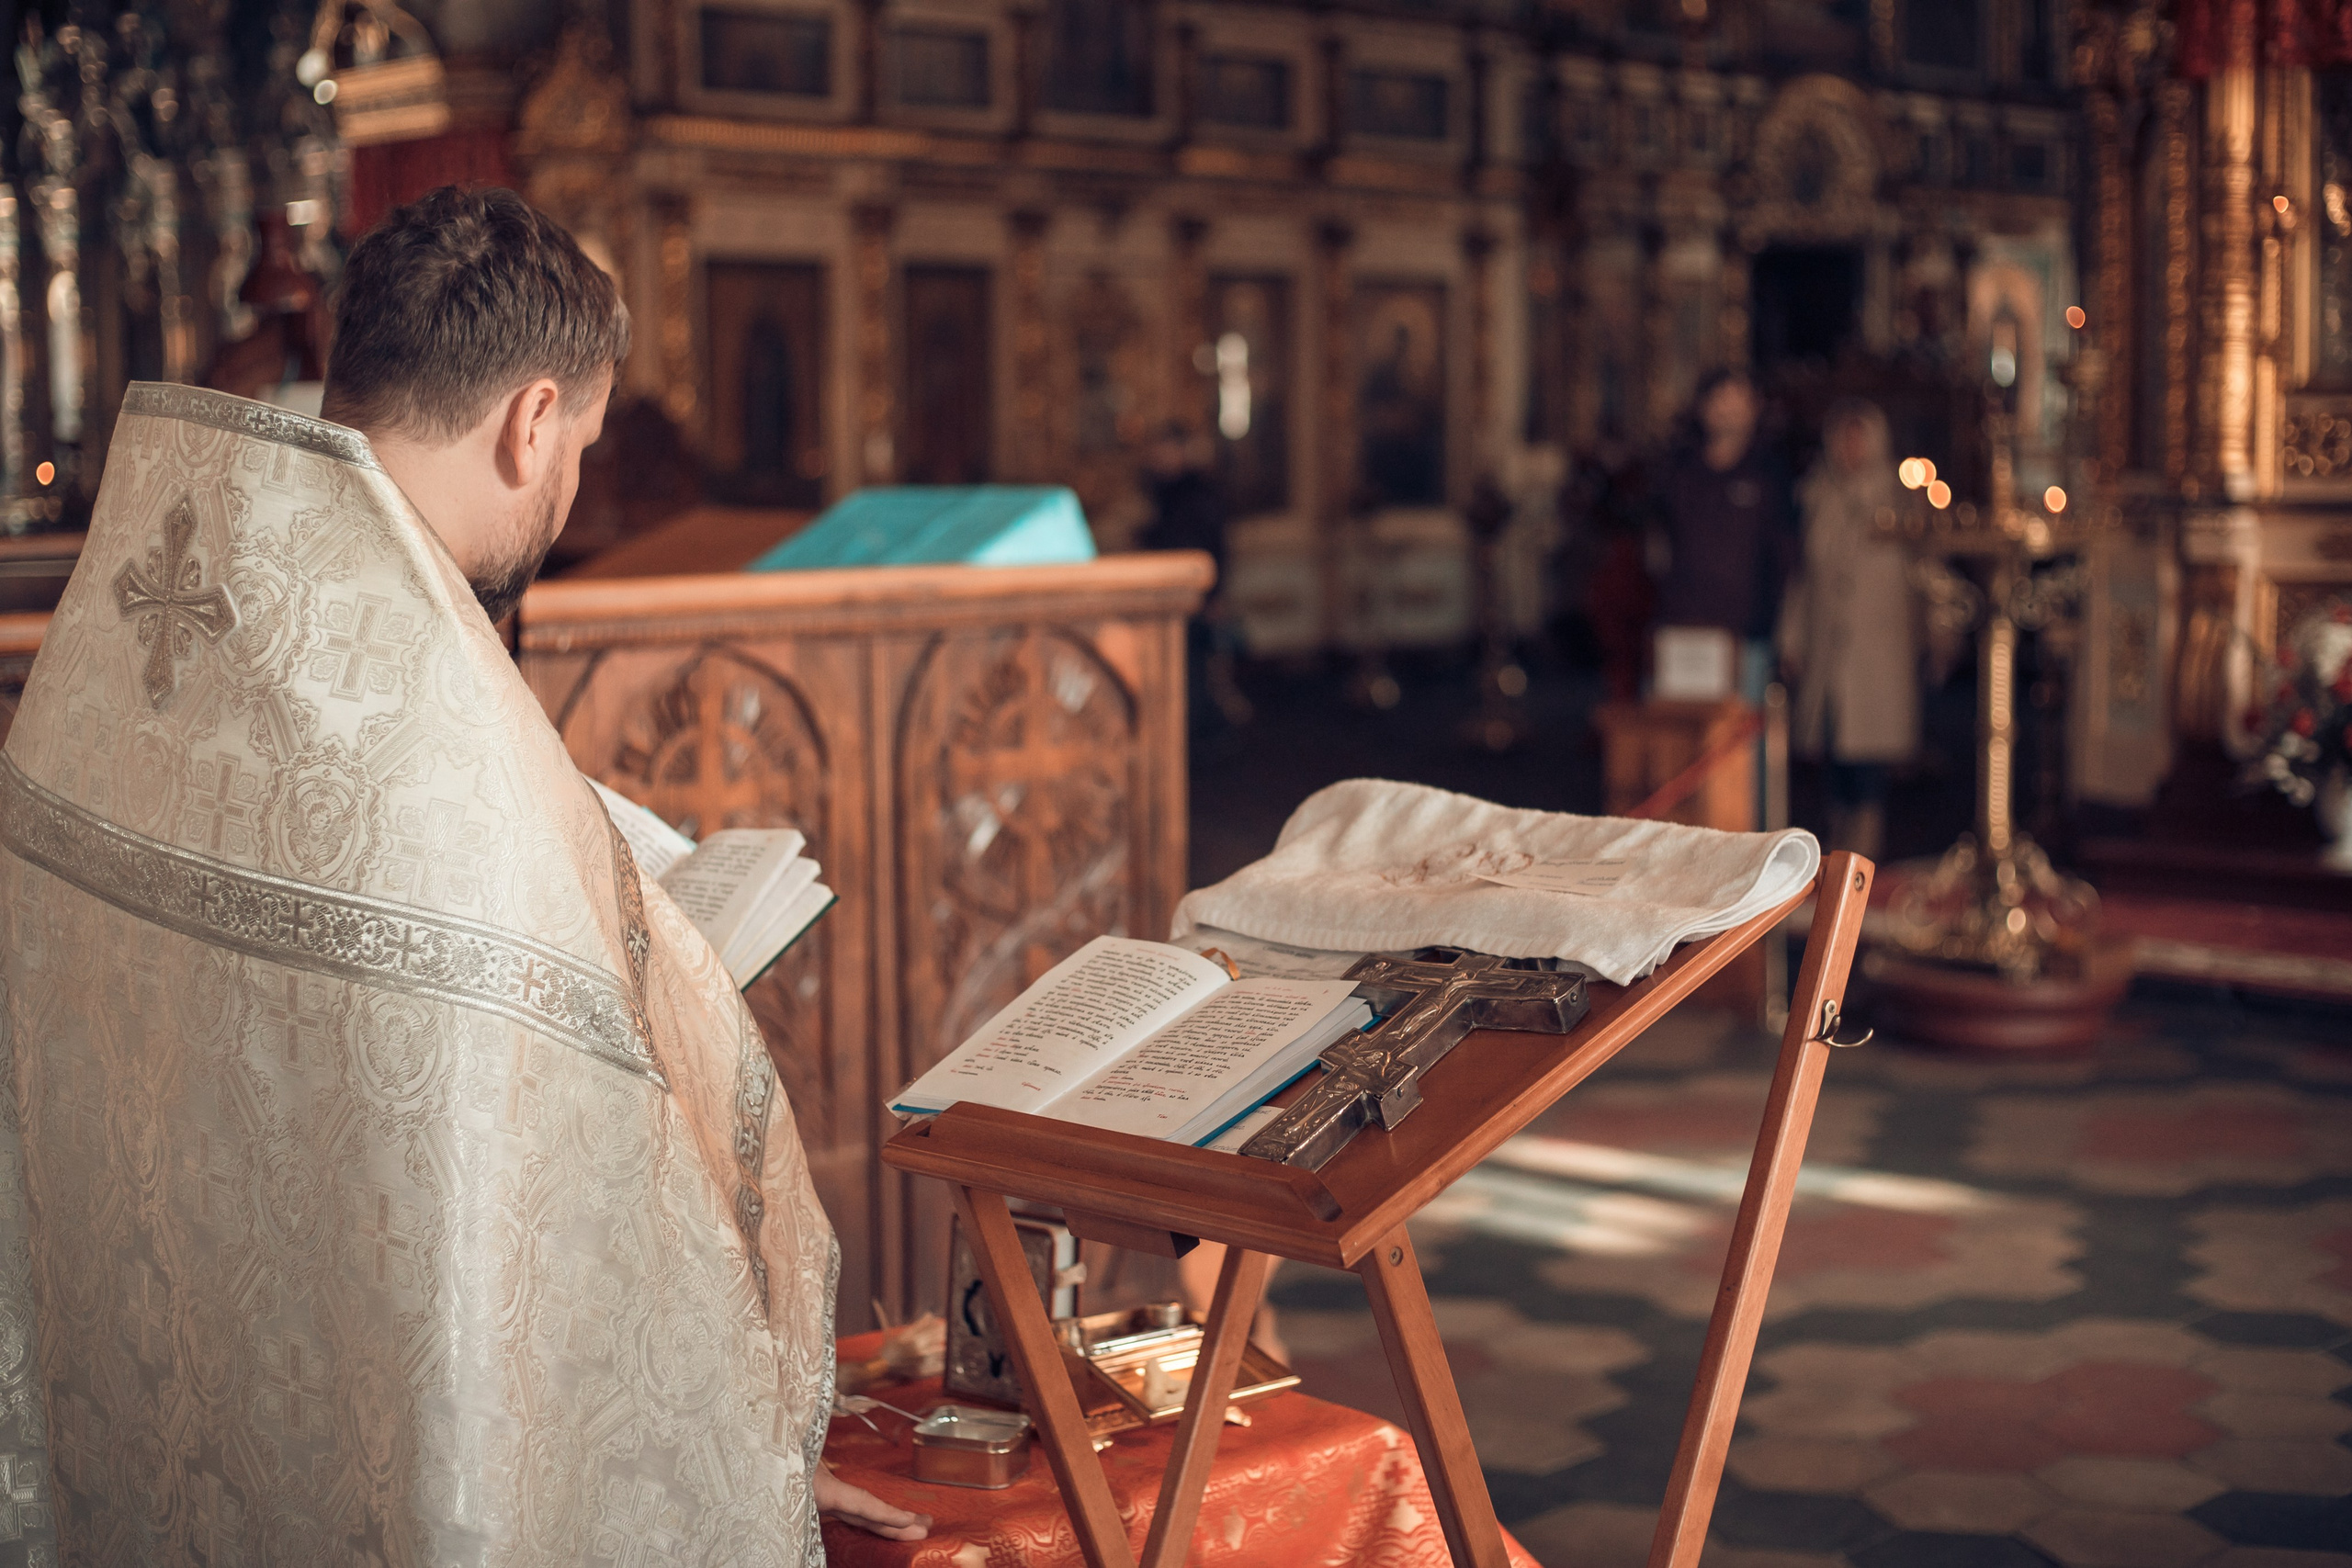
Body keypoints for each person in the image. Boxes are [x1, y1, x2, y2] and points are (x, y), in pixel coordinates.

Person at [0, 186, 925, 1559]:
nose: (566, 489)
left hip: (145, 1401)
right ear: (532, 418)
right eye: (582, 451)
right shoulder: (450, 747)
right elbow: (578, 1198)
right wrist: (730, 1463)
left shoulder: (142, 620)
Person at [1781, 399, 1919, 857]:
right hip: (1829, 645)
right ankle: (1838, 844)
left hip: (1877, 647)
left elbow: (1922, 569)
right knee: (1832, 747)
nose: (1850, 448)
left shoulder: (1896, 499)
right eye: (1844, 437)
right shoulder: (1818, 497)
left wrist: (1936, 632)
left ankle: (1866, 850)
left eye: (1860, 437)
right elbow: (1804, 576)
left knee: (1868, 752)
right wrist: (1792, 637)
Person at [1651, 369, 1795, 704]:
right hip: (1682, 627)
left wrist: (1783, 629)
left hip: (1745, 633)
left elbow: (1785, 556)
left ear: (1754, 408)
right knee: (1682, 735)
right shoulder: (1678, 470)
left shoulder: (1770, 476)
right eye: (1720, 399)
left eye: (1738, 400)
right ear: (1703, 406)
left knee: (1738, 741)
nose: (1728, 409)